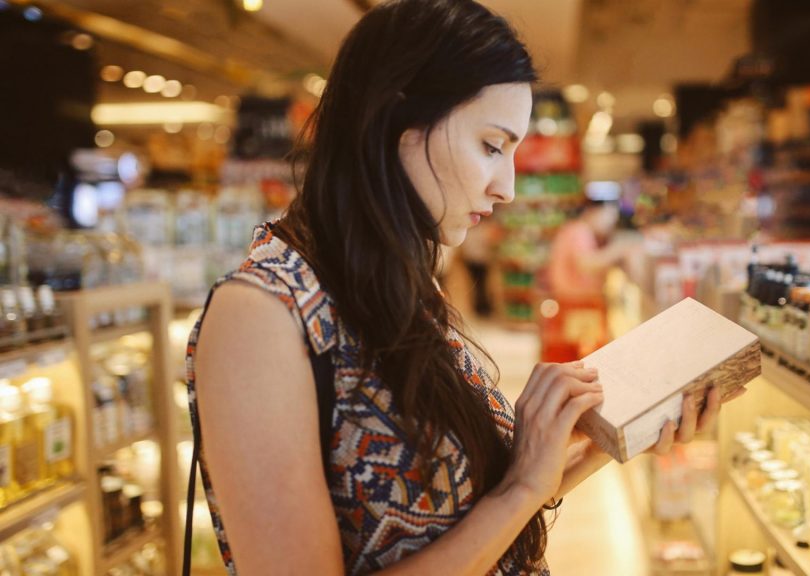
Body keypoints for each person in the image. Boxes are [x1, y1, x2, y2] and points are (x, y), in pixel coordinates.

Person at [186, 1, 744, 575]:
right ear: (397, 123)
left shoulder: (397, 285)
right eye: (491, 145)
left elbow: (473, 518)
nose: (506, 188)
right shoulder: (260, 316)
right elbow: (509, 499)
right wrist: (523, 485)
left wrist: (602, 434)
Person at [548, 199, 625, 302]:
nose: (611, 223)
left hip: (572, 299)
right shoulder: (579, 230)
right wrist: (621, 249)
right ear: (593, 212)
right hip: (576, 301)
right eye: (609, 216)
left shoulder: (574, 228)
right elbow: (586, 264)